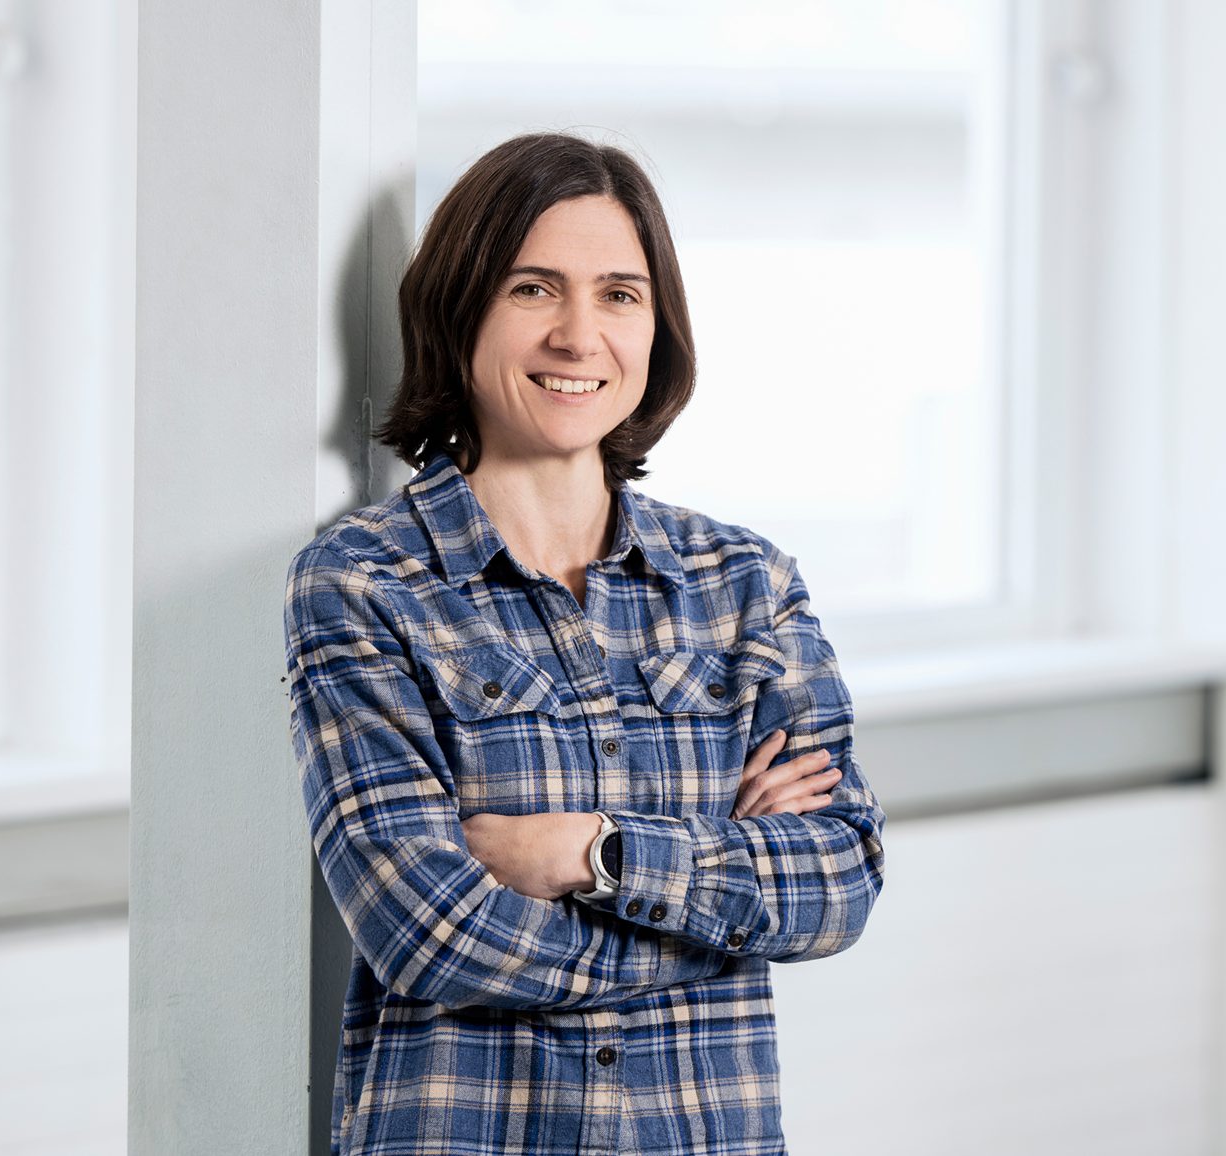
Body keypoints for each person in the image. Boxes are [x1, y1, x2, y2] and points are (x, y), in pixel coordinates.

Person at [284, 131, 886, 1156]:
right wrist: (719, 924)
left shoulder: (743, 585)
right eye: (532, 289)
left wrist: (589, 853)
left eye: (618, 293)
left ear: (657, 329)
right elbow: (428, 931)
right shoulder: (363, 582)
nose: (578, 334)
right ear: (460, 307)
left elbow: (835, 882)